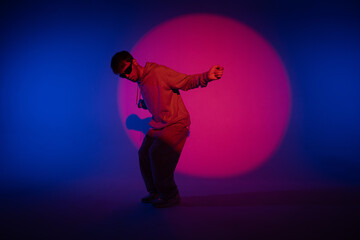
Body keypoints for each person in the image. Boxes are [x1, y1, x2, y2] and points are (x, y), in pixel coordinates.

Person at [111, 51, 224, 208]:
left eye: (128, 71)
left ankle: (171, 195)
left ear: (135, 62)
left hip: (176, 123)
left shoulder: (158, 72)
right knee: (143, 153)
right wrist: (145, 105)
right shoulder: (141, 81)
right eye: (123, 76)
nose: (127, 76)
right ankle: (155, 192)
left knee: (156, 154)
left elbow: (186, 82)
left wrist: (206, 76)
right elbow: (158, 97)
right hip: (159, 124)